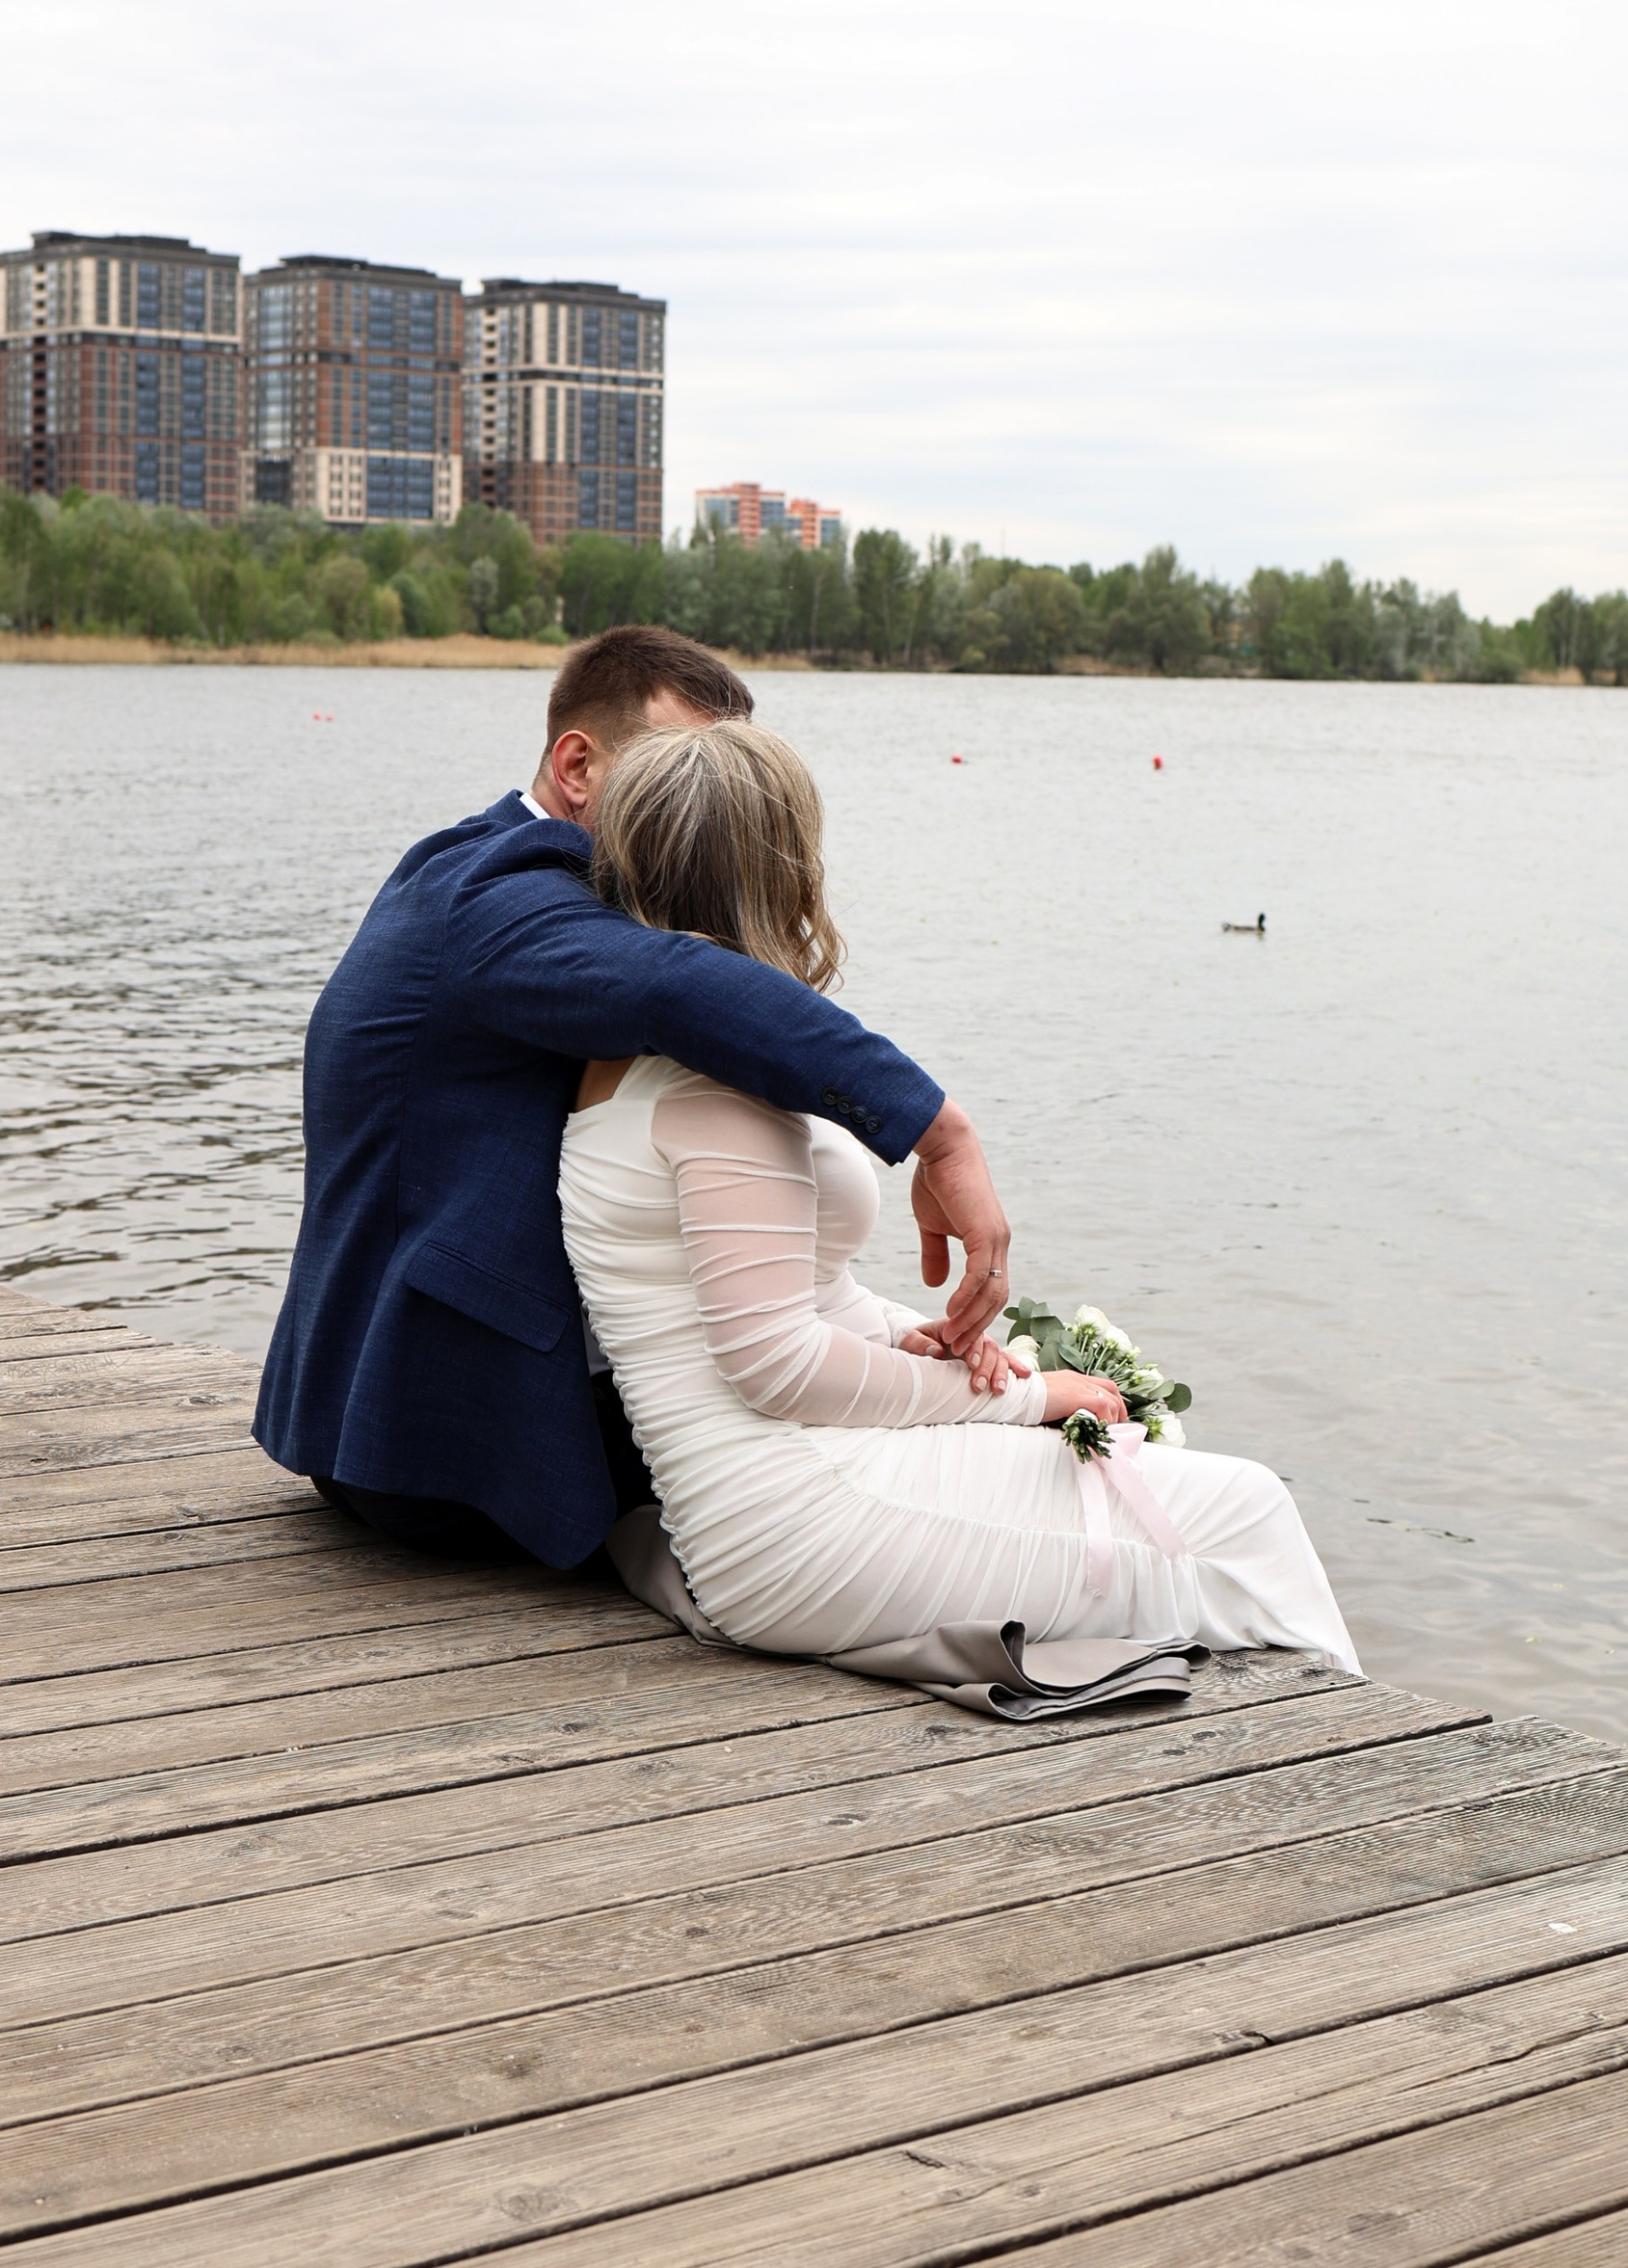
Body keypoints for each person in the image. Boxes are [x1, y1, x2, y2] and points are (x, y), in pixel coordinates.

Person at [559, 719, 1361, 1694]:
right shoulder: (713, 1088)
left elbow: (785, 1297)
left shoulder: (623, 1060)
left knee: (1206, 1512)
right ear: (782, 874)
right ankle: (1352, 1760)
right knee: (1247, 1514)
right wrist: (1030, 1398)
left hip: (772, 1500)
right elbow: (775, 1366)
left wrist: (922, 1339)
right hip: (801, 1522)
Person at [254, 625, 1016, 1570]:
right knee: (962, 1464)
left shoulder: (477, 869)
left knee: (940, 1420)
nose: (696, 801)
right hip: (444, 1437)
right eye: (674, 767)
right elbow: (674, 984)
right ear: (577, 765)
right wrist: (939, 1131)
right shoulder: (503, 895)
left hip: (390, 1415)